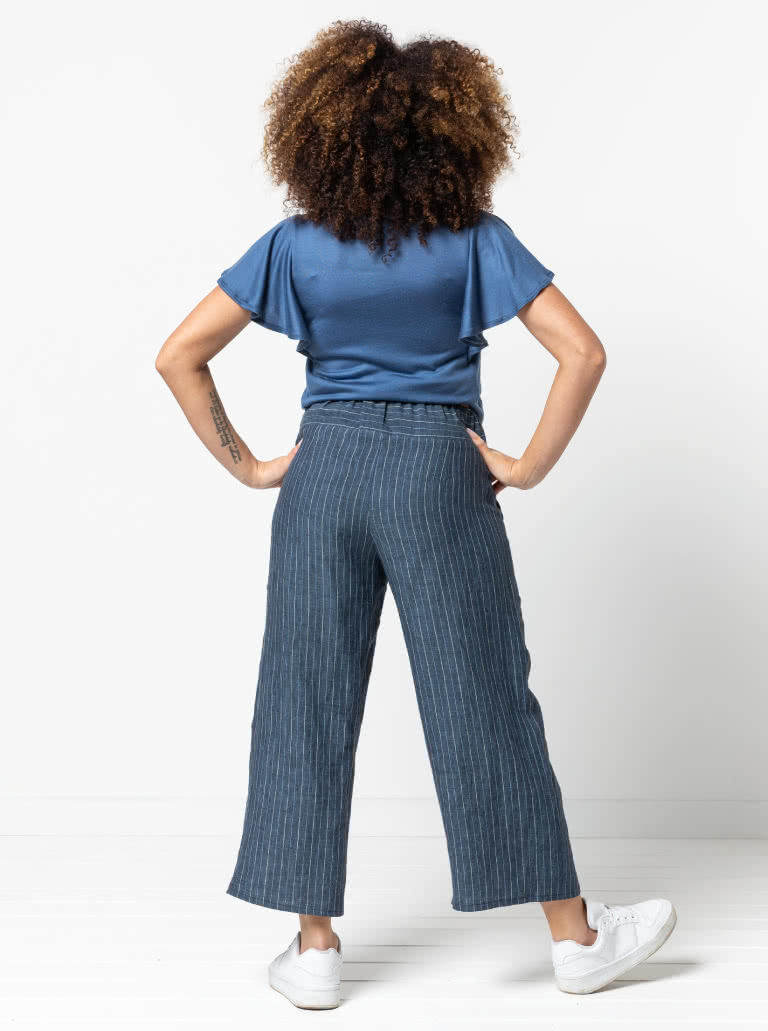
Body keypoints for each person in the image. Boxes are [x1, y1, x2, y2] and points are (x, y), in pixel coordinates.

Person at [155, 18, 676, 1010]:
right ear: (456, 133)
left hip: (324, 471)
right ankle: (575, 938)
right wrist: (525, 466)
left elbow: (179, 353)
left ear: (317, 132)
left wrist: (252, 465)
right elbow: (583, 352)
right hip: (440, 469)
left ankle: (315, 948)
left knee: (305, 698)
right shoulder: (476, 240)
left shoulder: (294, 247)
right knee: (484, 696)